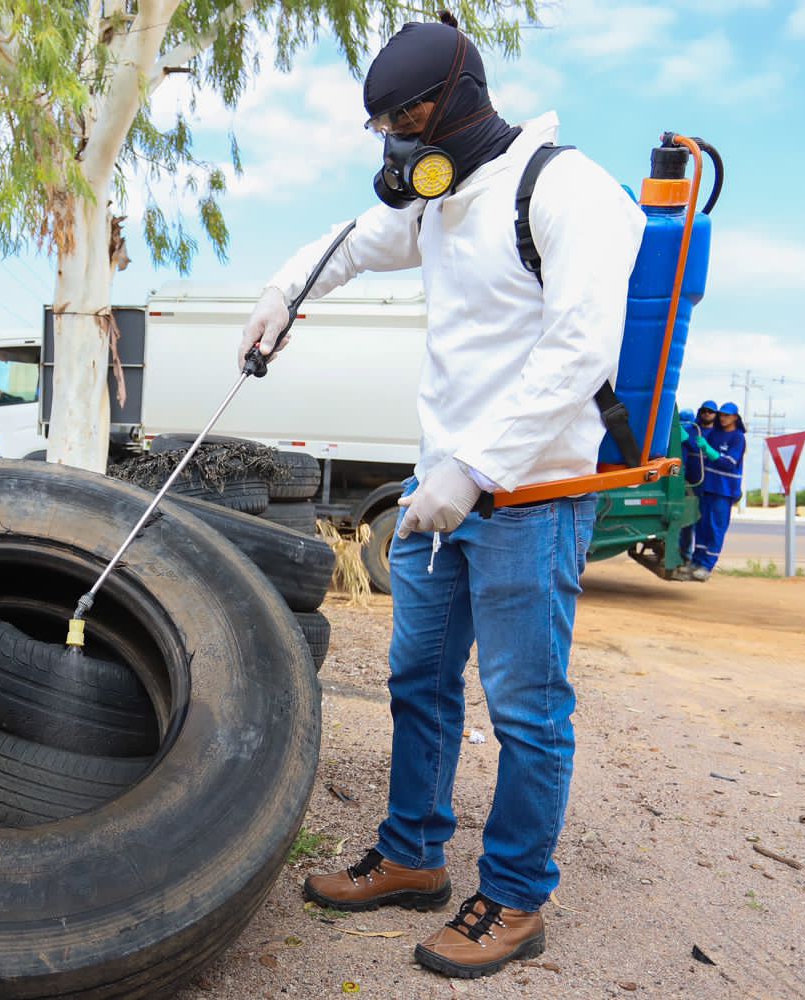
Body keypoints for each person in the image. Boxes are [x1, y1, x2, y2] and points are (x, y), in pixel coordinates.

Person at [238, 18, 644, 980]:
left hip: (532, 494)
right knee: (419, 683)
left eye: (407, 116)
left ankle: (513, 895)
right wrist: (280, 295)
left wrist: (477, 471)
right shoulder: (439, 195)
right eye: (382, 124)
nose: (397, 141)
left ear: (459, 99)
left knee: (526, 708)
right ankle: (413, 855)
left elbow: (580, 350)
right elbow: (350, 245)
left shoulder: (568, 190)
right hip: (437, 492)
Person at [690, 400, 746, 579]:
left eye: (727, 415)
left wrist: (711, 452)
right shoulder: (714, 434)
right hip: (708, 486)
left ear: (735, 418)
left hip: (724, 490)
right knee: (702, 525)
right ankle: (696, 561)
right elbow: (698, 450)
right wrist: (688, 440)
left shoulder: (738, 438)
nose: (723, 418)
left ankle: (707, 566)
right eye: (721, 414)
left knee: (716, 528)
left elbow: (729, 464)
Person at [674, 402, 721, 580]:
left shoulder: (713, 435)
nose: (707, 414)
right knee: (686, 522)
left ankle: (702, 563)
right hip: (687, 481)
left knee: (705, 524)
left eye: (711, 412)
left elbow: (704, 451)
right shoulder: (694, 429)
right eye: (704, 411)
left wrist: (690, 441)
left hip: (707, 485)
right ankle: (685, 557)